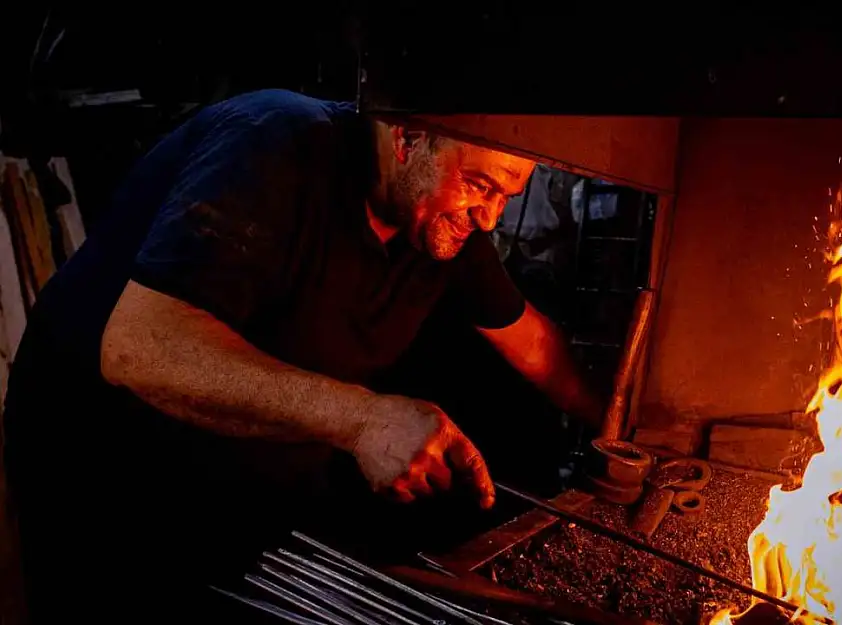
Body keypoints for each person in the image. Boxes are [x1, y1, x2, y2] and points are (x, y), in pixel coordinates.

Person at [2, 88, 605, 622]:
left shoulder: (443, 221)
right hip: (111, 480)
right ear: (408, 138)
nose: (491, 215)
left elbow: (531, 341)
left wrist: (617, 426)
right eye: (479, 185)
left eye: (507, 194)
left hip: (243, 484)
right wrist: (364, 419)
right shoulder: (273, 145)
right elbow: (140, 347)